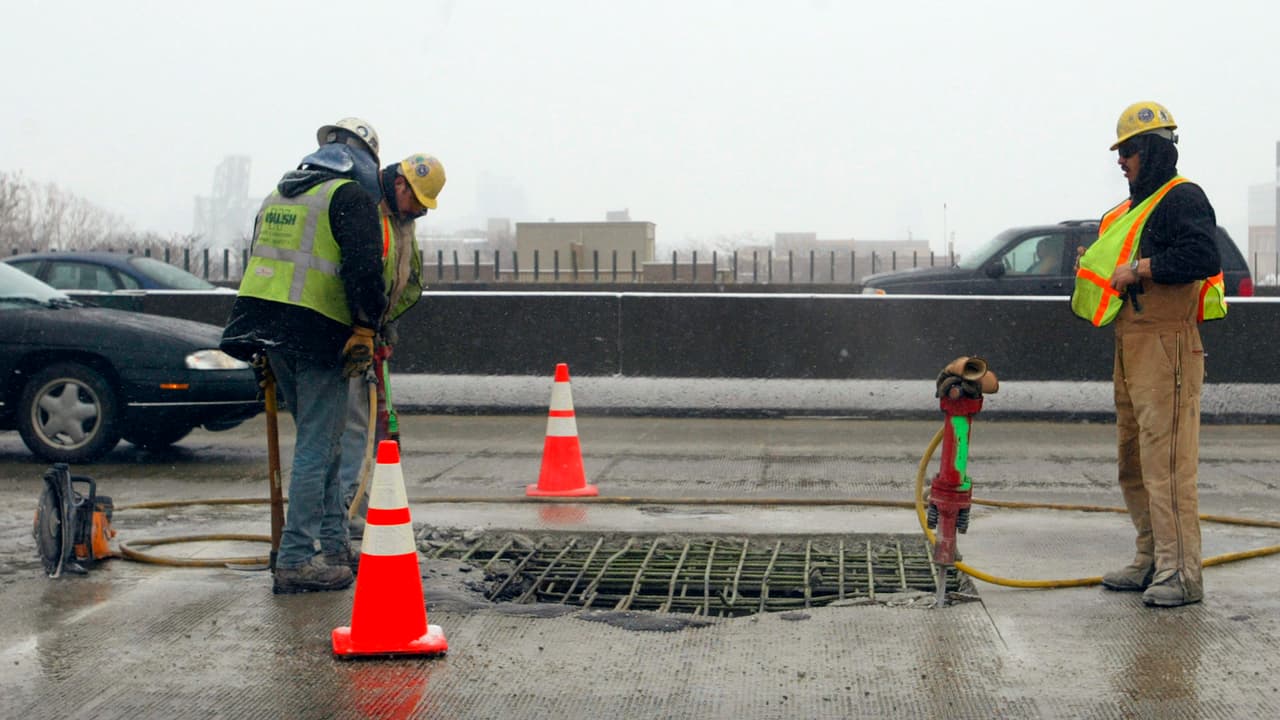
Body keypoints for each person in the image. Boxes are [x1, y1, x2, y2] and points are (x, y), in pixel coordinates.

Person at [220, 117, 388, 594]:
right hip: (317, 330)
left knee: (326, 442)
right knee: (318, 446)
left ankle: (333, 546)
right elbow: (364, 270)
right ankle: (296, 558)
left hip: (269, 330)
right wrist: (366, 325)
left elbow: (259, 262)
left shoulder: (279, 194)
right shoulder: (347, 197)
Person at [1078, 101, 1223, 608]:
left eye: (1129, 151)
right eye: (1120, 153)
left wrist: (1140, 269)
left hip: (1168, 344)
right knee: (1134, 460)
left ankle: (1181, 571)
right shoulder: (1132, 212)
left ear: (1154, 151)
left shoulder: (1183, 198)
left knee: (1168, 465)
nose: (1121, 161)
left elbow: (1202, 255)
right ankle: (1151, 559)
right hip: (1132, 342)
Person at [337, 153, 445, 544]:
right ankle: (344, 510)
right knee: (353, 425)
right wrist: (363, 327)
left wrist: (386, 326)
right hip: (351, 331)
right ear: (400, 184)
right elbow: (360, 275)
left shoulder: (402, 221)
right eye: (416, 202)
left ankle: (358, 502)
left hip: (374, 329)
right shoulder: (367, 209)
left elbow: (400, 280)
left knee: (371, 424)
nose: (418, 212)